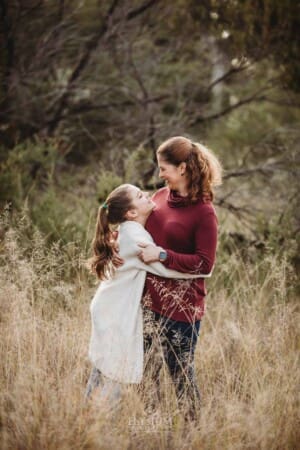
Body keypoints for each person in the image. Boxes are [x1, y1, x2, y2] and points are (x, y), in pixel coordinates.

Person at [85, 183, 211, 404]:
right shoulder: (135, 238)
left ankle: (92, 417)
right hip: (114, 311)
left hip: (109, 305)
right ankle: (95, 421)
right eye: (140, 195)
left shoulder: (130, 230)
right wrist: (201, 269)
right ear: (131, 213)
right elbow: (166, 269)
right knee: (112, 367)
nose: (148, 196)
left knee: (108, 362)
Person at [137, 136, 222, 417]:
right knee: (147, 372)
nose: (160, 174)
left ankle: (192, 433)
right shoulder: (160, 197)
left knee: (181, 375)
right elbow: (139, 230)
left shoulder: (204, 212)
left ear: (183, 168)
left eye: (164, 168)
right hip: (149, 302)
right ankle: (151, 428)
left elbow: (204, 263)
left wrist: (162, 255)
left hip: (182, 309)